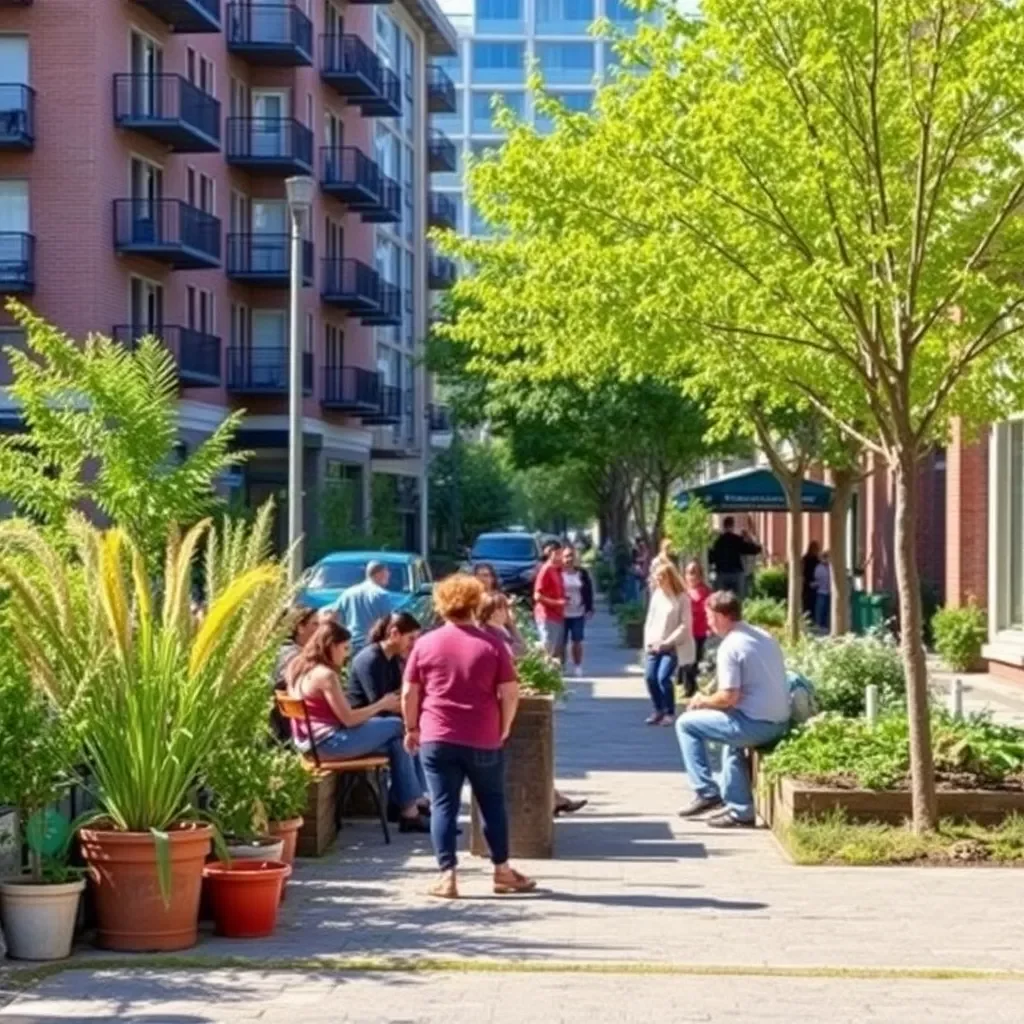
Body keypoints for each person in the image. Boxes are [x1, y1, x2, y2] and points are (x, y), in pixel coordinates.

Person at [402, 573, 536, 899]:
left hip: (437, 736)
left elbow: (409, 692)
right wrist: (503, 726)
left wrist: (412, 728)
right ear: (475, 605)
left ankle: (447, 876)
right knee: (492, 803)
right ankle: (502, 870)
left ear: (442, 605)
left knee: (444, 805)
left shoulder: (425, 644)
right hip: (483, 735)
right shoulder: (492, 645)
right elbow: (510, 692)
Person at [286, 619, 429, 833]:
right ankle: (415, 801)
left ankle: (409, 810)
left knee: (398, 743)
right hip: (328, 743)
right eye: (344, 649)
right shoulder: (325, 676)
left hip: (311, 743)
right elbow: (348, 719)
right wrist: (382, 704)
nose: (346, 655)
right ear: (331, 646)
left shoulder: (297, 668)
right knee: (399, 727)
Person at [676, 591, 791, 828]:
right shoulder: (762, 635)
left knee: (686, 724)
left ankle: (706, 792)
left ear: (721, 616)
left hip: (755, 725)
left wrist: (701, 701)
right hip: (780, 720)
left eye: (709, 616)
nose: (708, 622)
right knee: (731, 741)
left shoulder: (730, 645)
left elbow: (729, 697)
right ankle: (741, 809)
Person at [478, 593, 587, 818]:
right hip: (499, 705)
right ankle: (552, 799)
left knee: (532, 755)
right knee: (524, 756)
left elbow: (524, 652)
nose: (506, 613)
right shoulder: (489, 636)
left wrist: (513, 626)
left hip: (510, 698)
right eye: (501, 609)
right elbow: (516, 660)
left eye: (506, 609)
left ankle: (553, 797)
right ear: (489, 612)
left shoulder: (501, 632)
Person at [643, 563, 694, 726]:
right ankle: (658, 709)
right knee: (650, 677)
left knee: (663, 677)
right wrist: (648, 642)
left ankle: (669, 712)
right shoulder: (657, 595)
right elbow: (650, 620)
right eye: (656, 576)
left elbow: (685, 625)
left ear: (670, 578)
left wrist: (667, 642)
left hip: (672, 646)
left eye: (661, 577)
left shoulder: (682, 598)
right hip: (654, 643)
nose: (658, 580)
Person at [347, 612, 422, 712]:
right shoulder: (371, 659)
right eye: (411, 638)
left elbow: (399, 693)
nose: (414, 644)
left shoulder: (393, 657)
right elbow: (381, 706)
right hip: (365, 719)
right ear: (394, 634)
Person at [330, 560, 393, 653]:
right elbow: (389, 622)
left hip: (350, 645)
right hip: (373, 646)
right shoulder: (382, 595)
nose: (389, 575)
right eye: (387, 572)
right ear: (380, 574)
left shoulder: (348, 593)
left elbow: (334, 617)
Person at [560, 544, 593, 678]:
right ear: (562, 558)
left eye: (571, 556)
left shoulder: (582, 573)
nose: (569, 559)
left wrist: (589, 607)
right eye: (566, 556)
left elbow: (588, 590)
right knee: (561, 642)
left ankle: (577, 666)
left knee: (577, 640)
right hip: (561, 612)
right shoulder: (558, 573)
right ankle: (561, 666)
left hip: (578, 611)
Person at [707, 517, 762, 597]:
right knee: (739, 600)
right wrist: (748, 537)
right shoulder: (737, 539)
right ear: (732, 526)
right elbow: (755, 550)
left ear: (724, 526)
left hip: (721, 573)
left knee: (722, 601)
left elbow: (711, 559)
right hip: (736, 573)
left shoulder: (717, 542)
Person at [681, 561, 711, 698]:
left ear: (700, 575)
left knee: (694, 660)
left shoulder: (705, 591)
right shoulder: (683, 590)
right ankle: (687, 686)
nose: (691, 576)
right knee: (686, 660)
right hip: (684, 631)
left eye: (694, 572)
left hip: (698, 631)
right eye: (689, 572)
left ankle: (691, 688)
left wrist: (710, 627)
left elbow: (709, 610)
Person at [533, 542, 566, 659]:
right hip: (547, 615)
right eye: (559, 554)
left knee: (555, 650)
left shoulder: (557, 570)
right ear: (552, 553)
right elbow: (537, 596)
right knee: (547, 647)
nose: (561, 557)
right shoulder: (546, 569)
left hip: (557, 615)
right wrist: (556, 603)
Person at [801, 541, 821, 620]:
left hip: (812, 583)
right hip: (808, 583)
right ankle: (808, 618)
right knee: (809, 602)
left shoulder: (814, 560)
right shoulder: (808, 559)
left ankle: (809, 618)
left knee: (811, 602)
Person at [813, 551, 831, 631]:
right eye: (824, 557)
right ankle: (819, 625)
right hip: (821, 591)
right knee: (820, 609)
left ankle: (825, 625)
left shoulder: (830, 567)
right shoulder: (819, 568)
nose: (826, 560)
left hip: (829, 592)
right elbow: (817, 579)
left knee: (827, 609)